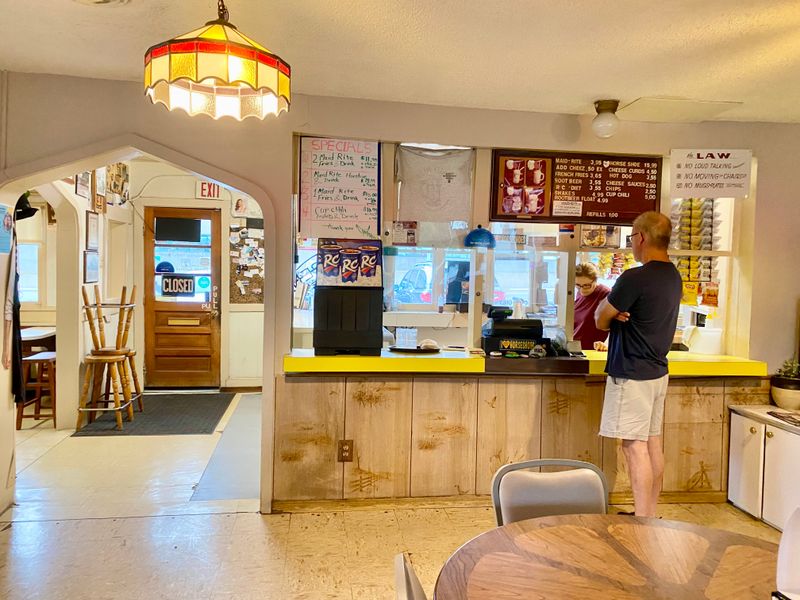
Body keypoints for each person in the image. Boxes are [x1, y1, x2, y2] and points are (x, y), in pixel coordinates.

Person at [594, 211, 682, 517]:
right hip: (658, 372)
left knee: (633, 447)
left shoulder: (635, 277)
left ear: (641, 238)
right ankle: (650, 513)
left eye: (631, 237)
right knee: (652, 442)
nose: (632, 243)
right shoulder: (672, 275)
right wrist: (615, 311)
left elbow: (600, 320)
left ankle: (643, 520)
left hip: (631, 372)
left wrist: (612, 311)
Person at [572, 262, 611, 350]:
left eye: (586, 285)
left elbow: (617, 324)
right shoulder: (579, 293)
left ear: (595, 280)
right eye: (578, 285)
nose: (582, 289)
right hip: (577, 349)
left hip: (594, 350)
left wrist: (606, 344)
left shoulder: (605, 294)